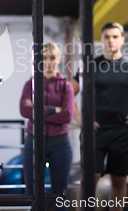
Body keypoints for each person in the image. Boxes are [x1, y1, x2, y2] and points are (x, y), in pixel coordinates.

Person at [71, 22, 128, 211]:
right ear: (102, 40)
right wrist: (81, 121)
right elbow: (67, 93)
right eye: (107, 37)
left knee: (119, 181)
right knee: (90, 180)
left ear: (122, 39)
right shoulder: (90, 65)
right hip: (95, 133)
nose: (110, 41)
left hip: (122, 132)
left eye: (114, 37)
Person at [19, 43, 75, 211]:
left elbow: (67, 115)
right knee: (33, 194)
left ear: (59, 59)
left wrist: (37, 111)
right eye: (44, 58)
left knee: (60, 196)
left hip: (61, 146)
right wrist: (53, 110)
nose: (48, 61)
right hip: (33, 144)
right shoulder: (31, 85)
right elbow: (24, 110)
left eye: (52, 57)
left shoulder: (66, 86)